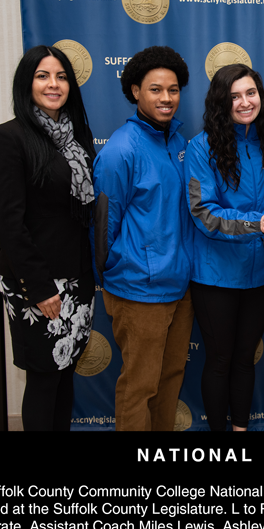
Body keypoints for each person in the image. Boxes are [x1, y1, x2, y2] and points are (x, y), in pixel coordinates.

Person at [0, 45, 96, 432]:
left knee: (65, 372)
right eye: (43, 76)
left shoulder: (75, 137)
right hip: (36, 281)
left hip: (78, 278)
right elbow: (9, 224)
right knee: (45, 377)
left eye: (62, 76)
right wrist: (40, 287)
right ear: (26, 83)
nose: (54, 84)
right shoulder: (8, 138)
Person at [92, 46, 195, 431]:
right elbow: (103, 228)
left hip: (180, 287)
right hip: (138, 292)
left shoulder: (179, 144)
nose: (166, 98)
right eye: (155, 89)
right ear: (135, 91)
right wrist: (120, 276)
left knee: (169, 381)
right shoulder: (120, 150)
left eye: (173, 90)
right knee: (139, 386)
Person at [185, 65, 264, 431]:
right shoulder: (201, 147)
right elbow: (204, 213)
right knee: (219, 359)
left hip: (260, 272)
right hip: (216, 275)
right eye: (234, 96)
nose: (245, 102)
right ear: (221, 102)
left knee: (245, 358)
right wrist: (257, 224)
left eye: (251, 93)